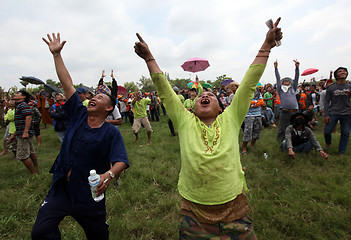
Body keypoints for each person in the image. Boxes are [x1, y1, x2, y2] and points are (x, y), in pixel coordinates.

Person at [134, 16, 282, 239]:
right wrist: (149, 57)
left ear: (222, 107)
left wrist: (267, 46)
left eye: (210, 95)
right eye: (201, 95)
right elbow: (164, 90)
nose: (204, 95)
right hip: (195, 210)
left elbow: (250, 82)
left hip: (234, 206)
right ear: (191, 108)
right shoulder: (185, 122)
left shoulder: (231, 118)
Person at [32, 33, 129, 240]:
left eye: (100, 97)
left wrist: (108, 175)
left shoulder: (110, 132)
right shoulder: (77, 114)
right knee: (40, 232)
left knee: (98, 236)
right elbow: (67, 84)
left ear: (109, 107)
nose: (94, 98)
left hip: (89, 196)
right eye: (93, 96)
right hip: (61, 190)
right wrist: (57, 55)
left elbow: (121, 160)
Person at [9, 91, 39, 174]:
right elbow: (21, 122)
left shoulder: (22, 105)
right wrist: (14, 134)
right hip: (22, 132)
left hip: (24, 133)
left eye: (18, 93)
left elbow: (28, 118)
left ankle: (34, 173)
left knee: (22, 156)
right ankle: (36, 168)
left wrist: (25, 132)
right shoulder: (19, 105)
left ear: (23, 97)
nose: (15, 94)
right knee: (31, 151)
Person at [324, 67, 351, 155]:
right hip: (333, 113)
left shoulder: (349, 87)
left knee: (346, 133)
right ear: (336, 75)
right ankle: (328, 143)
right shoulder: (331, 88)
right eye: (340, 71)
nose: (343, 72)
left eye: (344, 71)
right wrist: (326, 115)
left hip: (347, 113)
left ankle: (341, 152)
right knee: (327, 131)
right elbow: (326, 102)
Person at [275, 59, 300, 142]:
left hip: (295, 111)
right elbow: (278, 79)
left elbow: (296, 78)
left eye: (288, 81)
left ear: (290, 83)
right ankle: (280, 142)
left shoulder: (293, 89)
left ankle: (293, 141)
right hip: (285, 111)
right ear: (282, 83)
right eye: (284, 81)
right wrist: (276, 69)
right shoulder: (280, 89)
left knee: (295, 127)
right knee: (282, 128)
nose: (286, 81)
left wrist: (297, 68)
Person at [242, 85, 264, 154]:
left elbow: (261, 102)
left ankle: (252, 145)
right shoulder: (245, 92)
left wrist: (253, 104)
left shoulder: (258, 92)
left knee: (257, 130)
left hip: (258, 114)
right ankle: (244, 148)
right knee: (248, 130)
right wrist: (255, 103)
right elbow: (246, 103)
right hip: (248, 115)